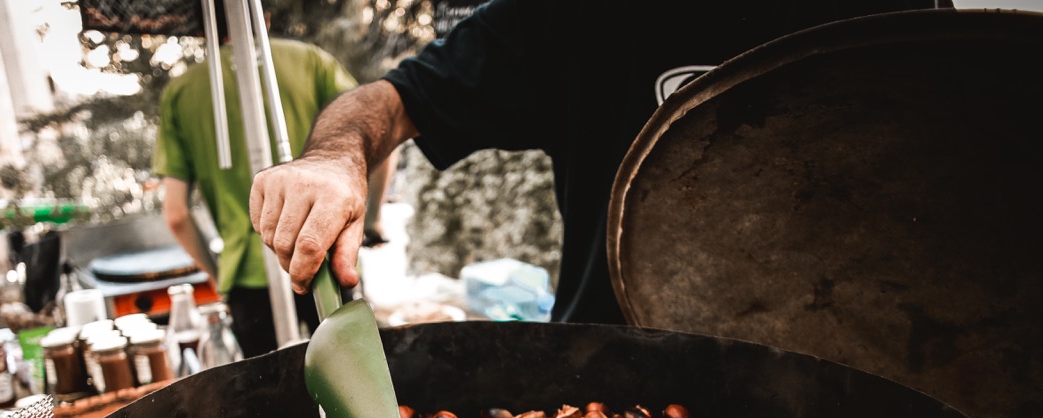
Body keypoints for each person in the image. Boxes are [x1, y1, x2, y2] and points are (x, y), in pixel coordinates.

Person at [250, 0, 950, 324]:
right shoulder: (571, 16)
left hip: (850, 374)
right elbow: (390, 100)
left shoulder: (891, 12)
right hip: (612, 378)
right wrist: (335, 157)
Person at [153, 0, 394, 357]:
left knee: (273, 406)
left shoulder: (181, 92)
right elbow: (381, 137)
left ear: (204, 30)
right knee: (352, 387)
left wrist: (222, 276)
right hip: (326, 259)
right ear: (263, 17)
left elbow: (176, 214)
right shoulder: (311, 62)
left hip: (248, 280)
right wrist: (371, 219)